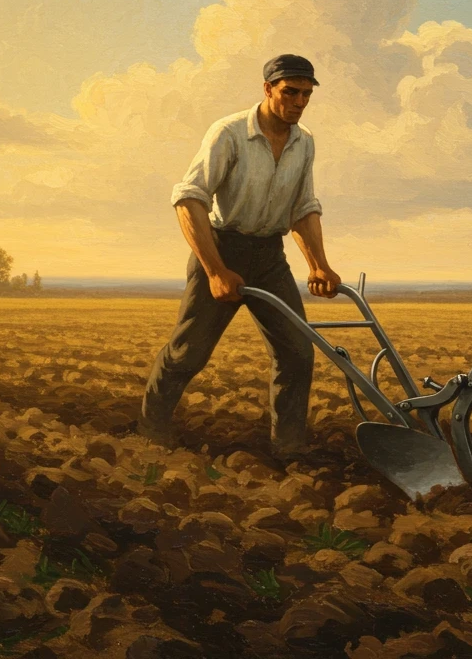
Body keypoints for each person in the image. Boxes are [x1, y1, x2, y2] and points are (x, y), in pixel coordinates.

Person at [139, 53, 342, 459]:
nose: (299, 102)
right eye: (290, 92)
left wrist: (319, 264)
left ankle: (288, 448)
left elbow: (302, 208)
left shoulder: (305, 143)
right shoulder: (228, 133)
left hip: (269, 255)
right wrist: (215, 270)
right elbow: (189, 199)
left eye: (306, 94)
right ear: (268, 90)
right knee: (187, 353)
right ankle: (150, 433)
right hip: (221, 247)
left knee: (297, 352)